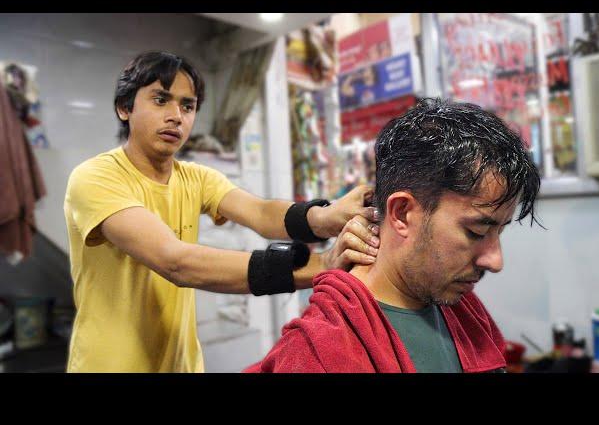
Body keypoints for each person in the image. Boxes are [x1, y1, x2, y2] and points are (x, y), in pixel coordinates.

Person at [63, 51, 380, 373]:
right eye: (161, 100)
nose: (176, 116)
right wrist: (322, 265)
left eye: (187, 106)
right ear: (124, 108)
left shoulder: (195, 177)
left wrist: (326, 217)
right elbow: (175, 261)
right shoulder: (95, 178)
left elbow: (260, 212)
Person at [244, 97, 541, 373]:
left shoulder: (465, 313)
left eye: (499, 232)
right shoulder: (316, 354)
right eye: (476, 232)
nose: (495, 260)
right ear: (401, 213)